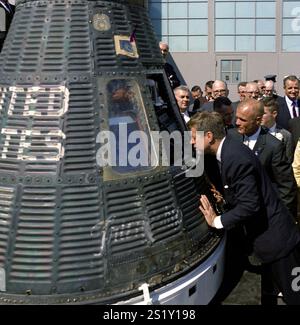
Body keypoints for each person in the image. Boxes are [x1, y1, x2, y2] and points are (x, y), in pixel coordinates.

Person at [189, 111, 300, 305]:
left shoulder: (235, 158)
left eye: (193, 137)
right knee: (271, 293)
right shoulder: (229, 149)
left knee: (294, 295)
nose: (191, 142)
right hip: (268, 242)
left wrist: (216, 221)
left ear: (208, 136)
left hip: (278, 243)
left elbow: (250, 205)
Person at [231, 99, 297, 218]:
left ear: (257, 120)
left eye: (242, 119)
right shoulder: (232, 137)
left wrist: (283, 217)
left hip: (265, 214)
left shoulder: (274, 146)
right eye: (237, 118)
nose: (237, 122)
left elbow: (286, 185)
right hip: (238, 212)